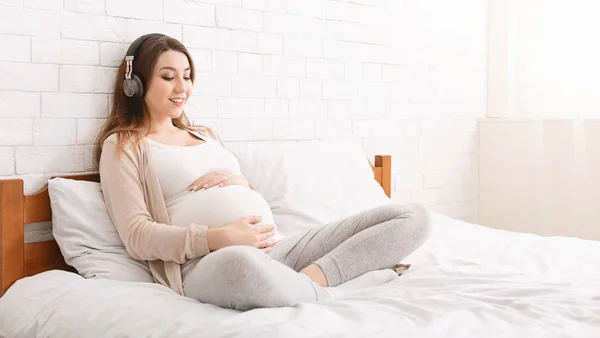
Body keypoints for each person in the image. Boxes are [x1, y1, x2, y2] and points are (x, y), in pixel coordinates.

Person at [94, 33, 433, 311]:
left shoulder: (206, 135)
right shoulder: (124, 146)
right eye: (168, 77)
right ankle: (346, 286)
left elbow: (244, 197)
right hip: (211, 261)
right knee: (244, 267)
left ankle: (308, 282)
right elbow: (138, 236)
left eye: (187, 76)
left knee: (413, 217)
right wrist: (220, 237)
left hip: (279, 247)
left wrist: (244, 184)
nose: (182, 87)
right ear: (134, 84)